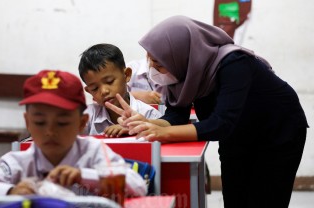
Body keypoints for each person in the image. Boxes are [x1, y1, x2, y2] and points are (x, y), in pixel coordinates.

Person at [105, 15, 308, 208]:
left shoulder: (234, 63)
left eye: (158, 64)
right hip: (237, 135)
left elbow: (221, 123)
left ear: (180, 53)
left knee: (264, 201)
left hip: (277, 132)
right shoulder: (184, 71)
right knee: (235, 199)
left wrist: (163, 132)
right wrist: (145, 124)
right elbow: (176, 117)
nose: (153, 69)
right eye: (150, 61)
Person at [0, 70, 147, 199]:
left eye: (62, 123)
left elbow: (137, 185)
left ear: (82, 123)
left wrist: (84, 176)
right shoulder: (19, 162)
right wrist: (10, 191)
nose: (50, 131)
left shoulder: (94, 152)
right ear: (27, 122)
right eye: (39, 122)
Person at [78, 43, 162, 137]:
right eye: (95, 88)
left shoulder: (149, 114)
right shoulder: (87, 116)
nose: (104, 91)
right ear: (89, 91)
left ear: (126, 75)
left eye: (109, 82)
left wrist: (136, 127)